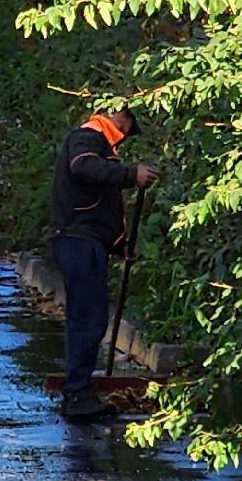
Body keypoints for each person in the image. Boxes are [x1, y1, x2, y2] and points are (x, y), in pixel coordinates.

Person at [48, 105, 157, 420]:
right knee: (88, 319)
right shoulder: (88, 137)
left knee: (90, 317)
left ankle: (79, 389)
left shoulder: (96, 142)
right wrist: (129, 175)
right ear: (121, 117)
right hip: (78, 242)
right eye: (127, 129)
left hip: (85, 241)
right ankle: (78, 392)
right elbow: (83, 168)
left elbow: (98, 206)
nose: (124, 138)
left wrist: (119, 245)